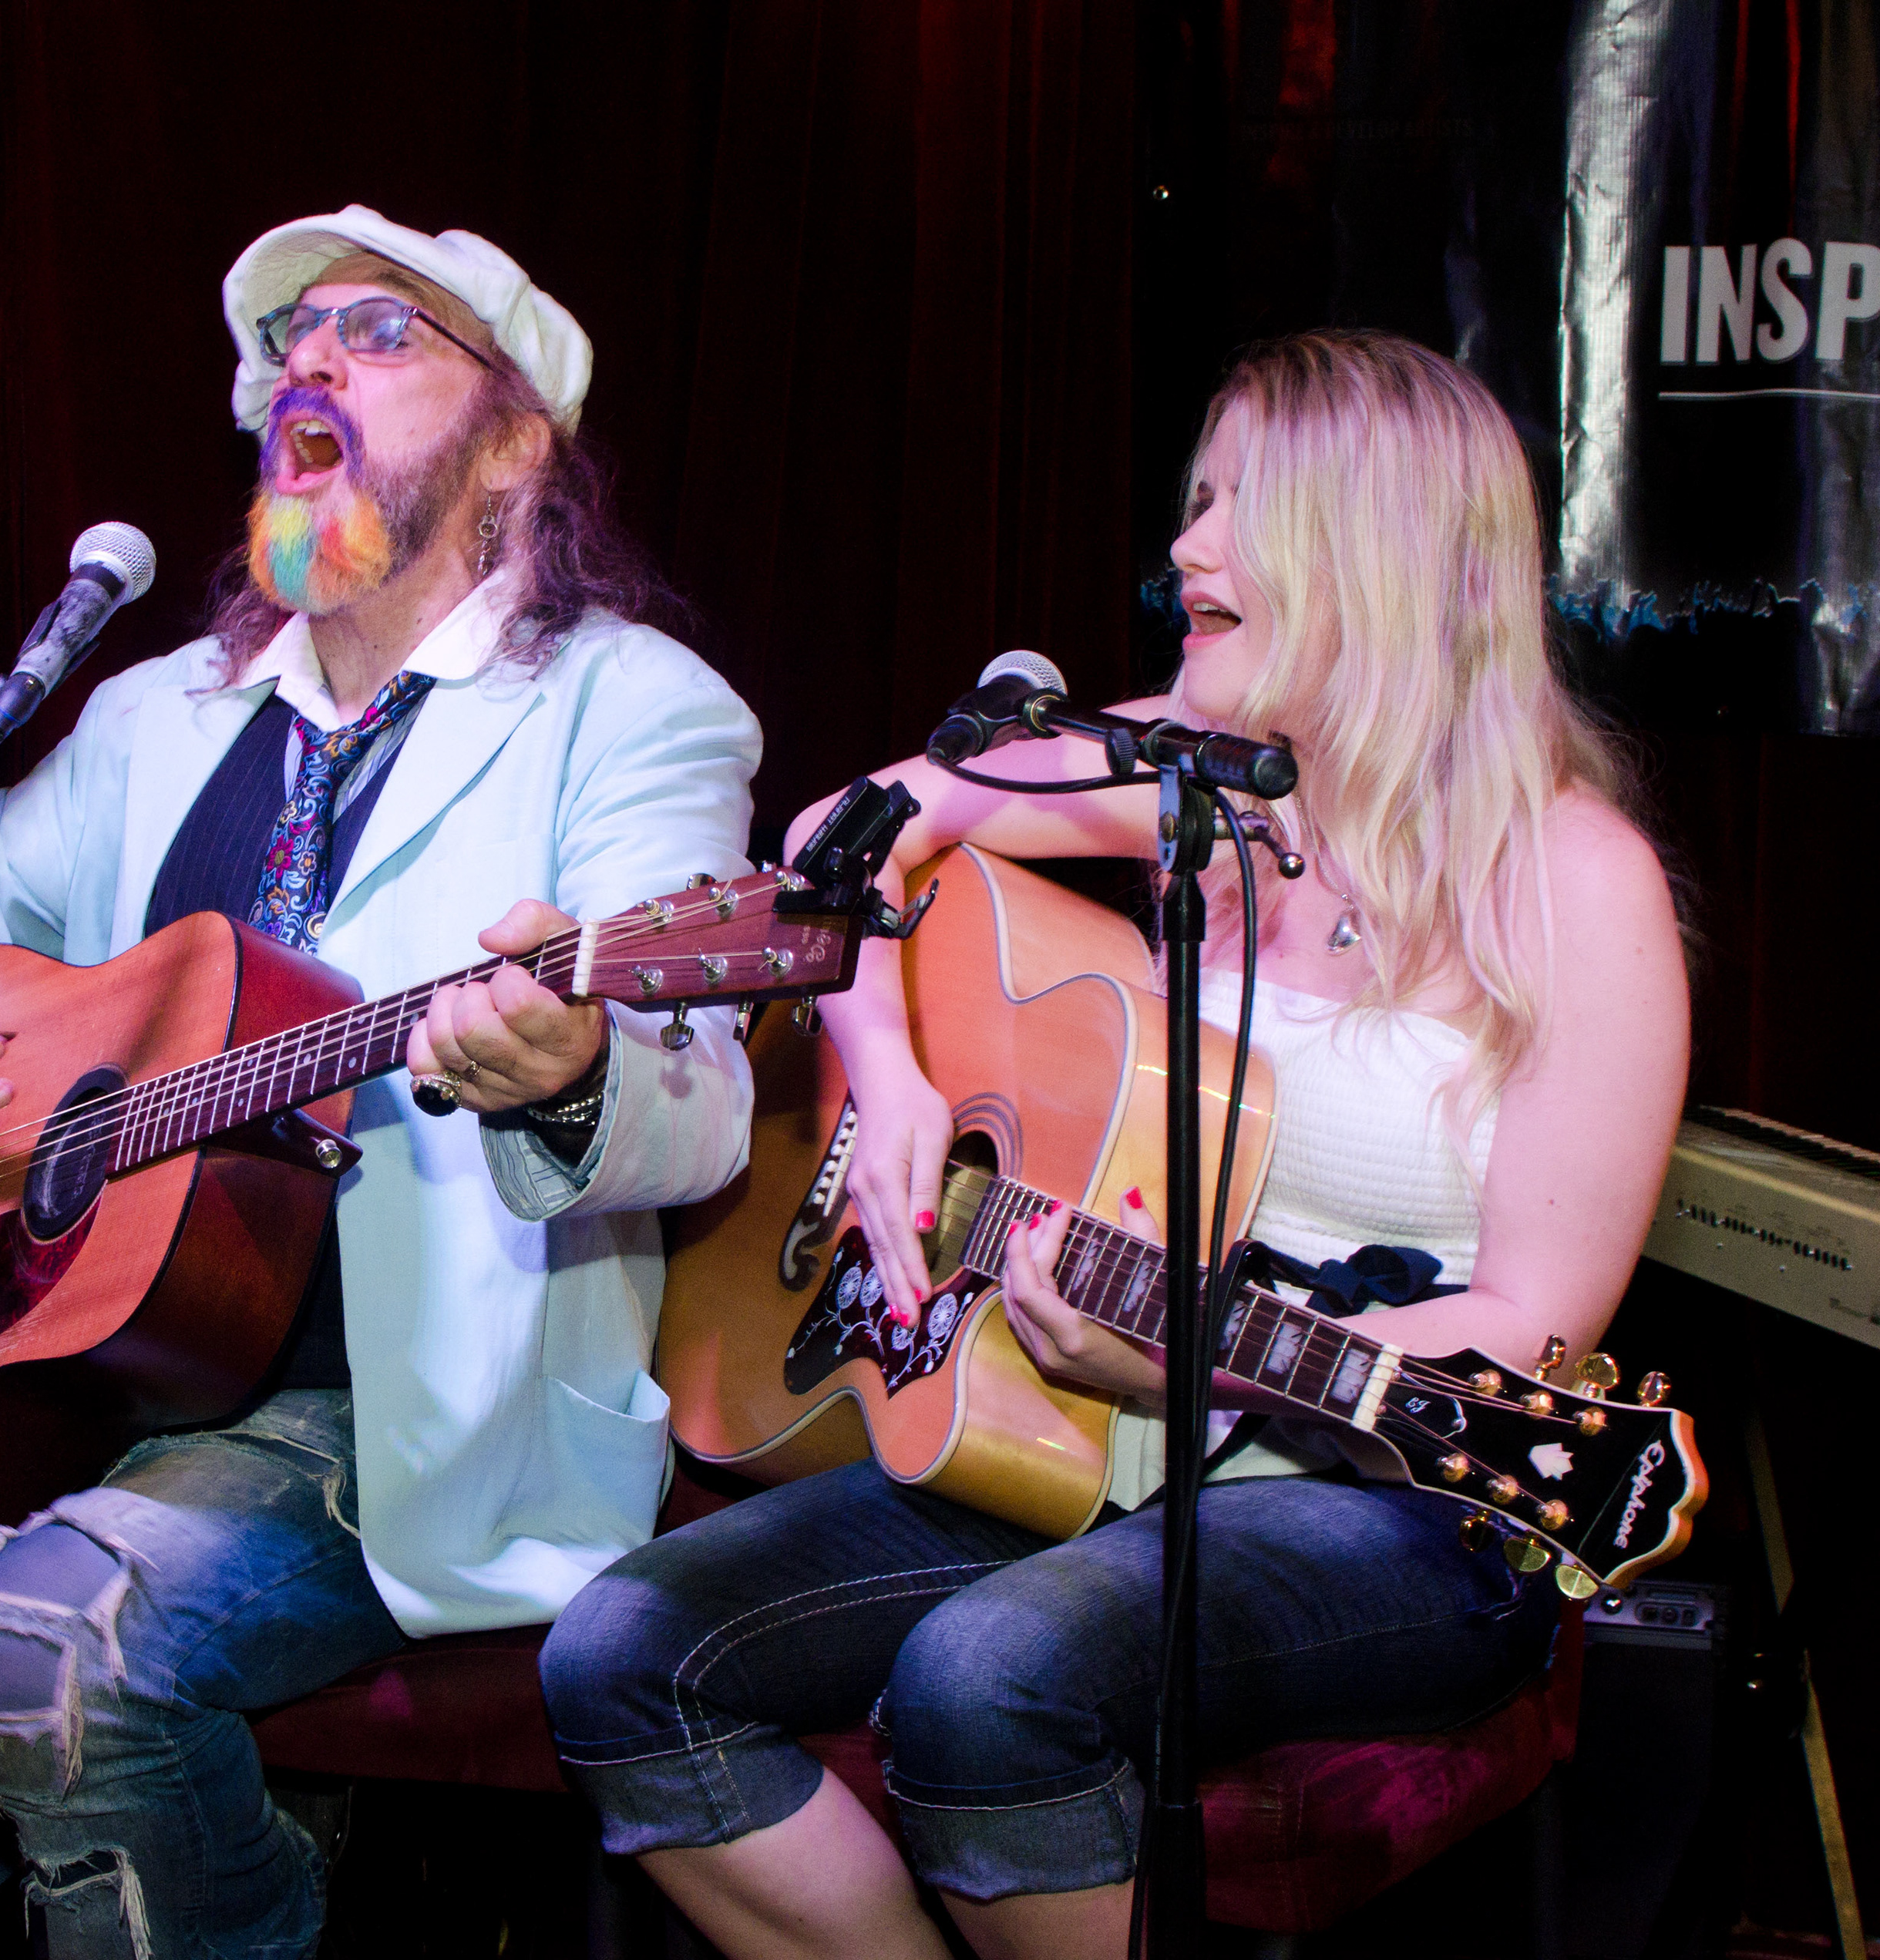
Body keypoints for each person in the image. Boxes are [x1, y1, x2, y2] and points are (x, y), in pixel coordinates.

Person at [0, 206, 760, 1960]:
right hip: (60, 1395)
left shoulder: (631, 712)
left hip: (379, 1433)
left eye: (382, 337)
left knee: (35, 1643)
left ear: (514, 445)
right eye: (295, 341)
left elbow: (697, 1088)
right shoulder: (156, 715)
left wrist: (572, 1074)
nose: (311, 363)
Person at [538, 329, 1690, 1960]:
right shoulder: (1193, 785)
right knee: (620, 1651)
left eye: (1238, 509)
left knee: (986, 1679)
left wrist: (1201, 1365)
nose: (1185, 549)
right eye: (1192, 501)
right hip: (1104, 1434)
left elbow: (1537, 1325)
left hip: (1398, 1486)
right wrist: (887, 1083)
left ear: (1379, 545)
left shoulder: (1578, 886)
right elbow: (840, 834)